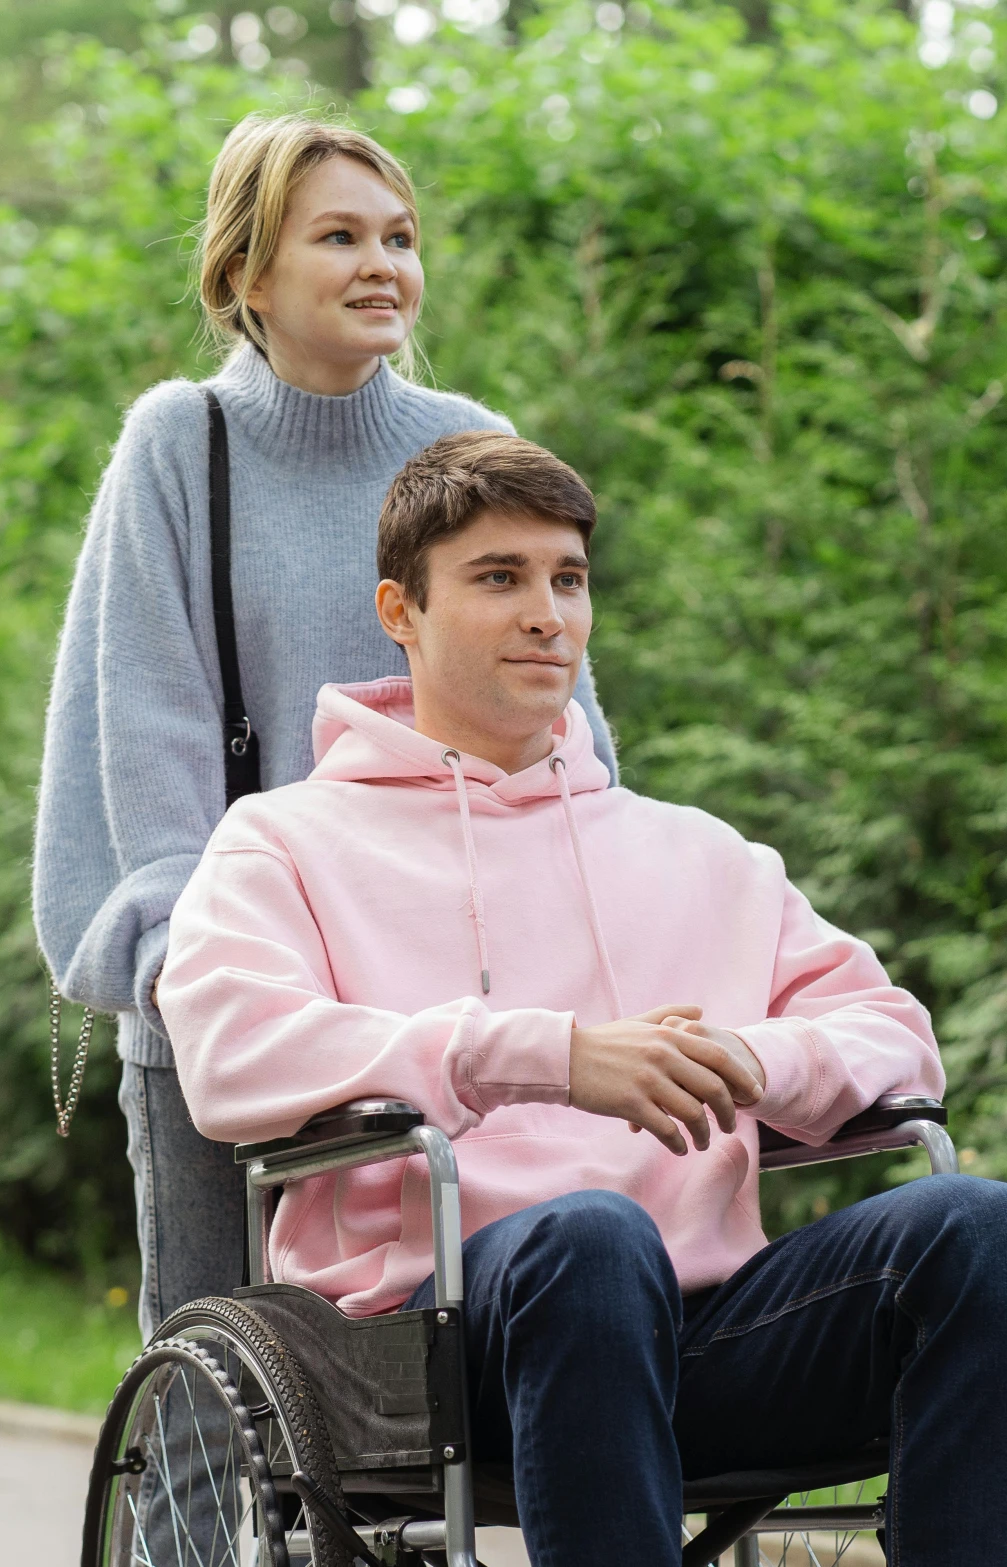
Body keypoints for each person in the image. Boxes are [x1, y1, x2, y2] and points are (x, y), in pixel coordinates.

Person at [158, 433, 1007, 1566]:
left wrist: (747, 1058)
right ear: (402, 609)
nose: (547, 613)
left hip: (708, 1333)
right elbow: (232, 1050)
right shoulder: (284, 841)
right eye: (500, 578)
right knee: (592, 1238)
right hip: (431, 1349)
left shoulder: (699, 853)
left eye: (567, 579)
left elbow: (896, 1037)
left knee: (984, 1225)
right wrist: (545, 1055)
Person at [32, 115, 617, 1337]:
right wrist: (197, 983)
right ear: (245, 275)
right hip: (237, 1003)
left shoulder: (466, 442)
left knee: (447, 1392)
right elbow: (147, 732)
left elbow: (560, 718)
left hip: (446, 1000)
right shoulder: (179, 447)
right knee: (217, 1372)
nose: (380, 266)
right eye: (338, 237)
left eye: (398, 238)